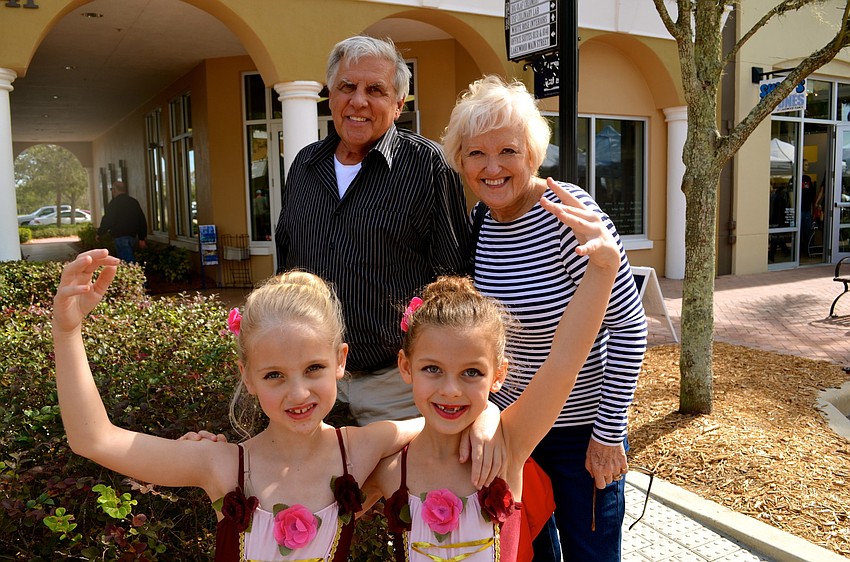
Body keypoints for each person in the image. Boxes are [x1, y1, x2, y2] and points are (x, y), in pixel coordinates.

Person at [52, 252, 503, 562]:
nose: (298, 394)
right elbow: (94, 439)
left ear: (340, 361)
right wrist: (68, 332)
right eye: (274, 376)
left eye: (312, 369)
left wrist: (488, 415)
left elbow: (438, 417)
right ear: (247, 375)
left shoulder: (363, 448)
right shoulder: (223, 466)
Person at [441, 75, 648, 561]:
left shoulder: (569, 215)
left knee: (588, 554)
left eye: (507, 151)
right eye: (476, 154)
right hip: (513, 431)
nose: (492, 168)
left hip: (580, 435)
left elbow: (629, 327)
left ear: (532, 153)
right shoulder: (480, 224)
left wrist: (608, 433)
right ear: (461, 160)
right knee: (527, 551)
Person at [365, 183, 621, 561]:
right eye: (432, 369)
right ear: (406, 366)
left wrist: (602, 268)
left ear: (499, 375)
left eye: (471, 373)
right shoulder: (389, 470)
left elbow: (564, 363)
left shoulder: (510, 447)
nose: (451, 390)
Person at [274, 35, 471, 426]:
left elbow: (452, 282)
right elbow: (288, 267)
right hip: (313, 382)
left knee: (399, 487)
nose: (358, 101)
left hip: (394, 387)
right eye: (347, 86)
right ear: (330, 95)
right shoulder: (304, 166)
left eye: (376, 90)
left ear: (398, 105)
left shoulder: (428, 167)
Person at [97, 180, 148, 263]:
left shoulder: (114, 203)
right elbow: (141, 220)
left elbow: (108, 219)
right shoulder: (133, 202)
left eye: (112, 189)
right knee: (128, 258)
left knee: (127, 262)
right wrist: (141, 238)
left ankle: (134, 274)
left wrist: (100, 232)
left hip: (120, 236)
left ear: (114, 190)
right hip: (132, 236)